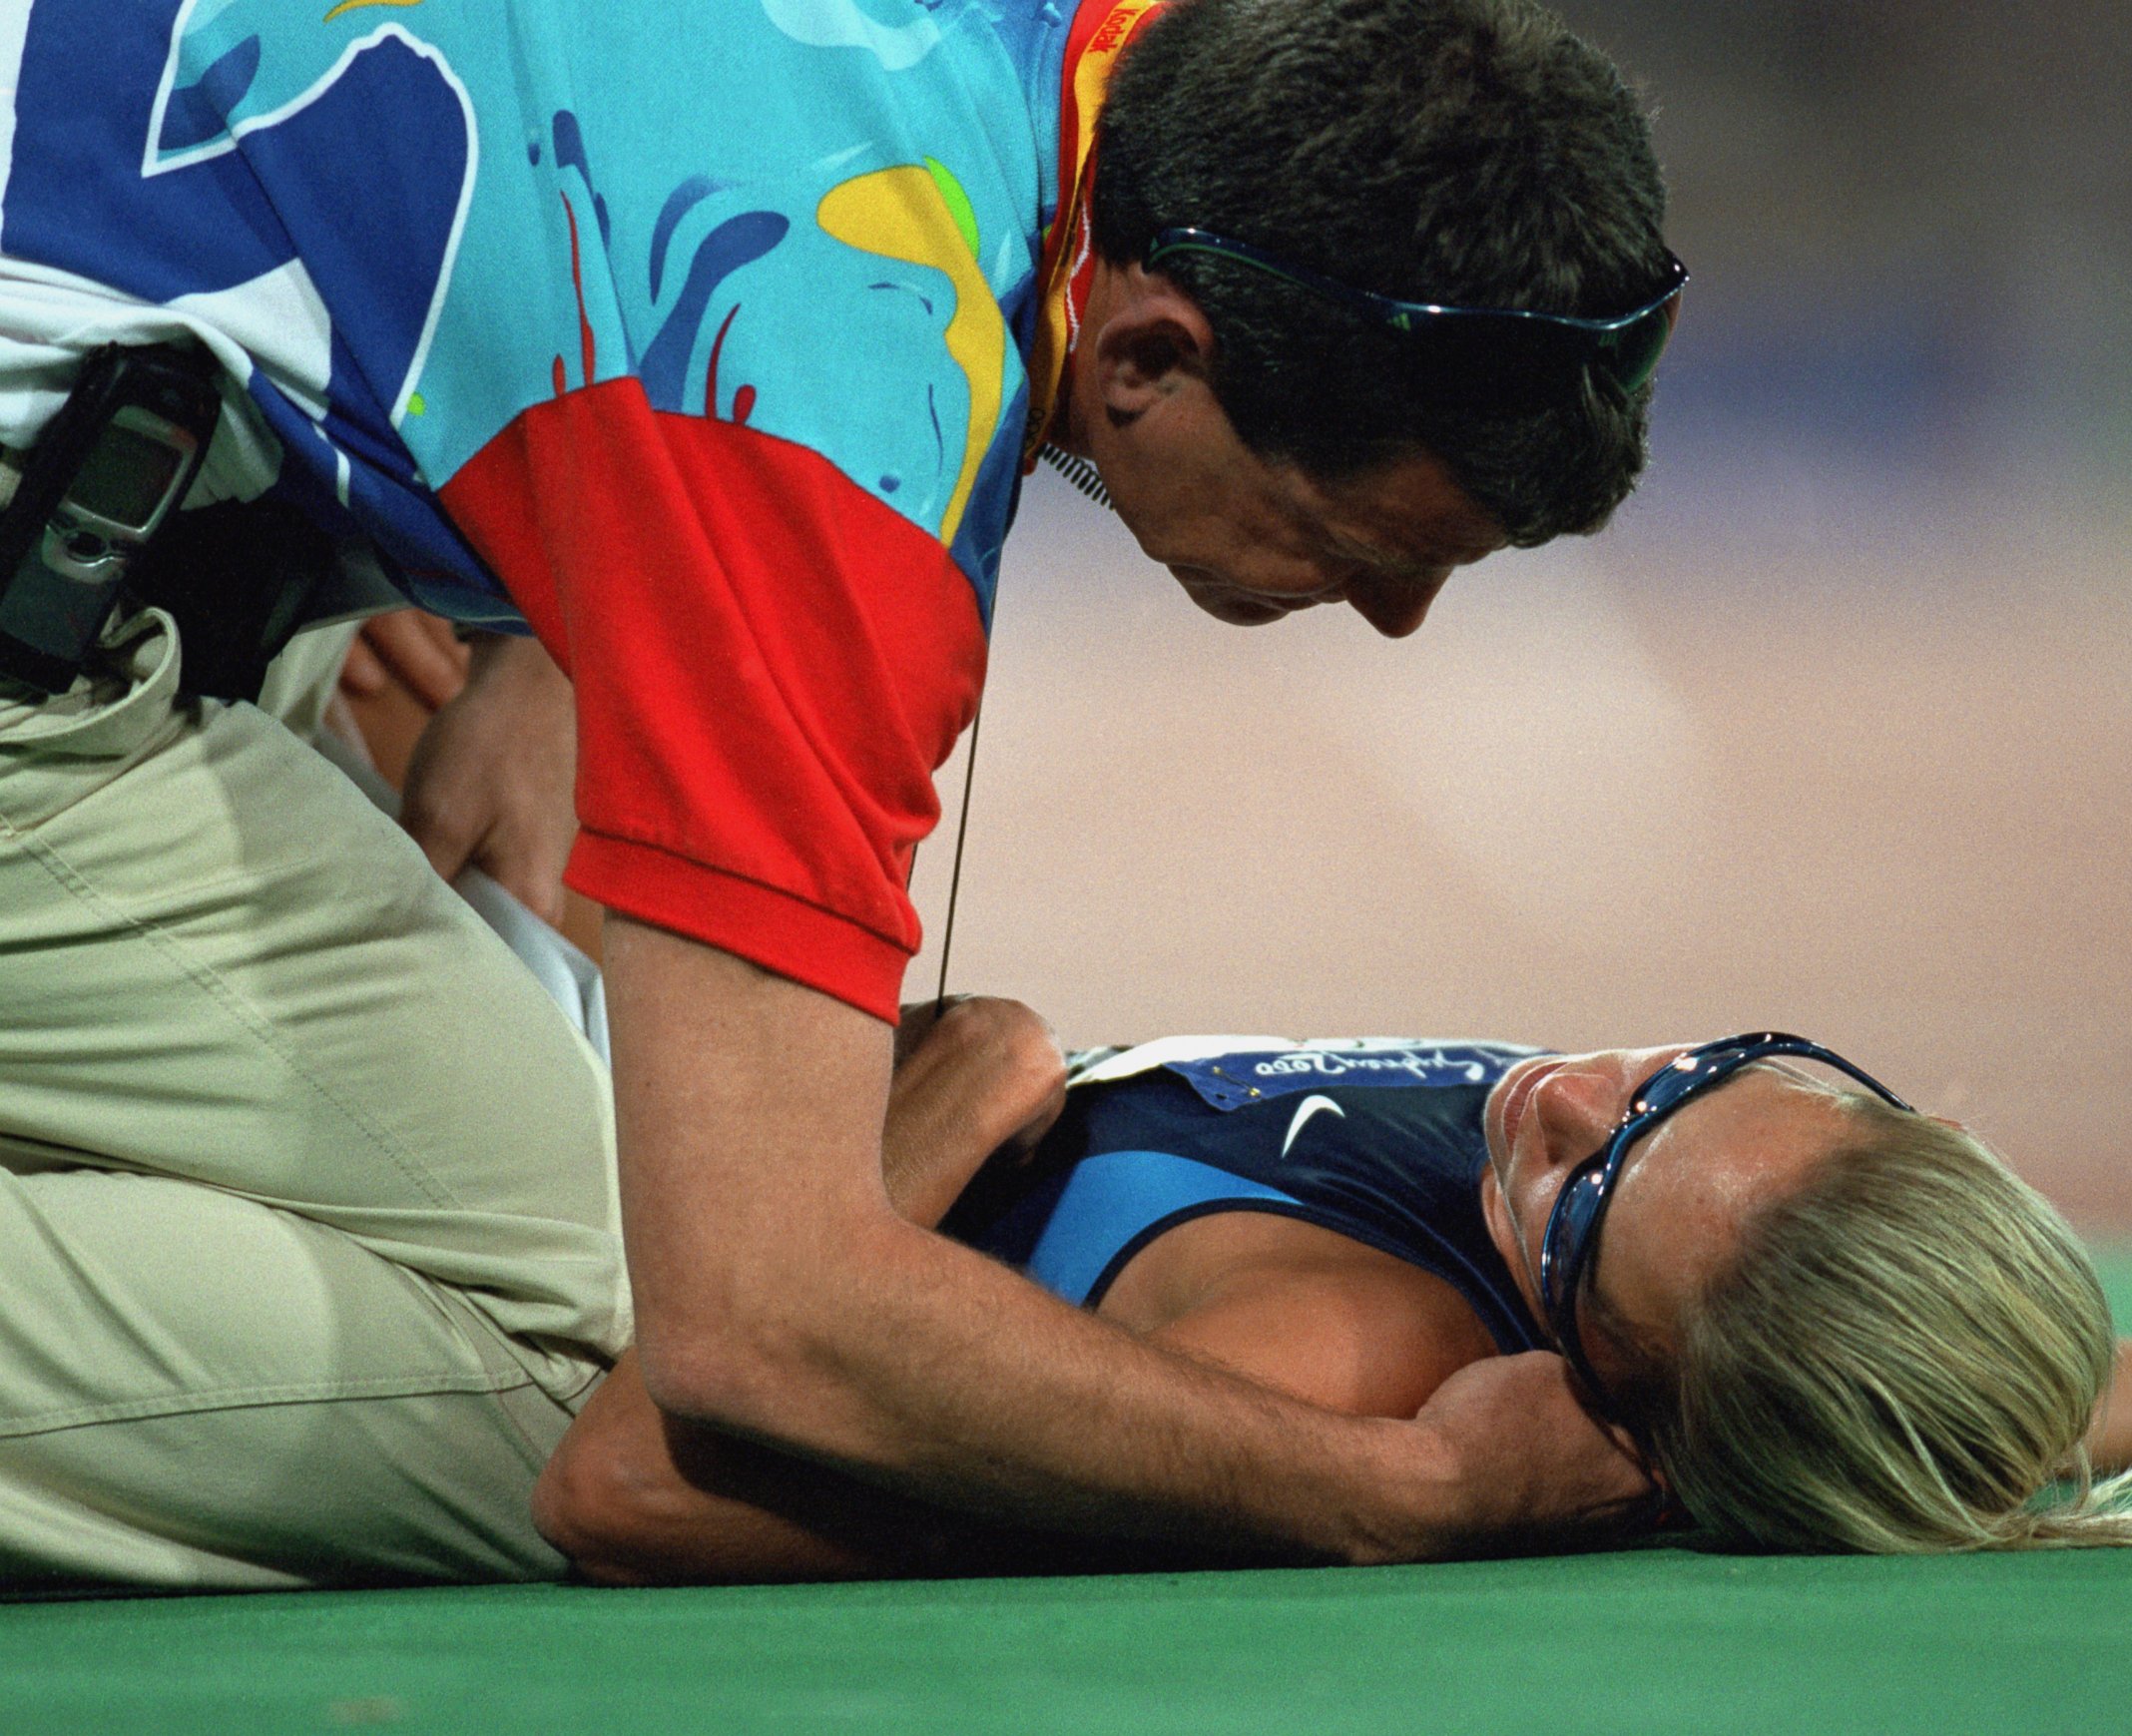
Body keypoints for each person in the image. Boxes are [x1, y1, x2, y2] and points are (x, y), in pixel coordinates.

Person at [0, 0, 1685, 1585]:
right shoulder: (837, 425)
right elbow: (751, 1322)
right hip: (63, 620)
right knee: (590, 1344)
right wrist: (1393, 1492)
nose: (1397, 618)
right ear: (1151, 359)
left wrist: (558, 621)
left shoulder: (1125, 74)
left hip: (123, 411)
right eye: (1363, 548)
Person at [535, 1008, 2132, 1581]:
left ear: (1626, 1423)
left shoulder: (1319, 1369)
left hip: (550, 1257)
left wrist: (951, 1104)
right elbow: (1995, 1426)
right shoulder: (1702, 1315)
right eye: (1695, 1077)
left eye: (1587, 1197)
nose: (1575, 1093)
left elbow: (627, 1482)